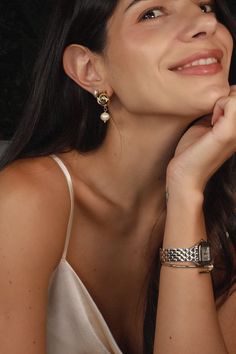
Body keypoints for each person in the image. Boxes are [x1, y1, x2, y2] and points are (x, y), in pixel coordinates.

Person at [0, 0, 236, 353]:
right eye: (151, 13)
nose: (205, 24)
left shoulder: (226, 208)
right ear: (90, 69)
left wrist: (186, 191)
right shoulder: (24, 202)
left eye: (204, 6)